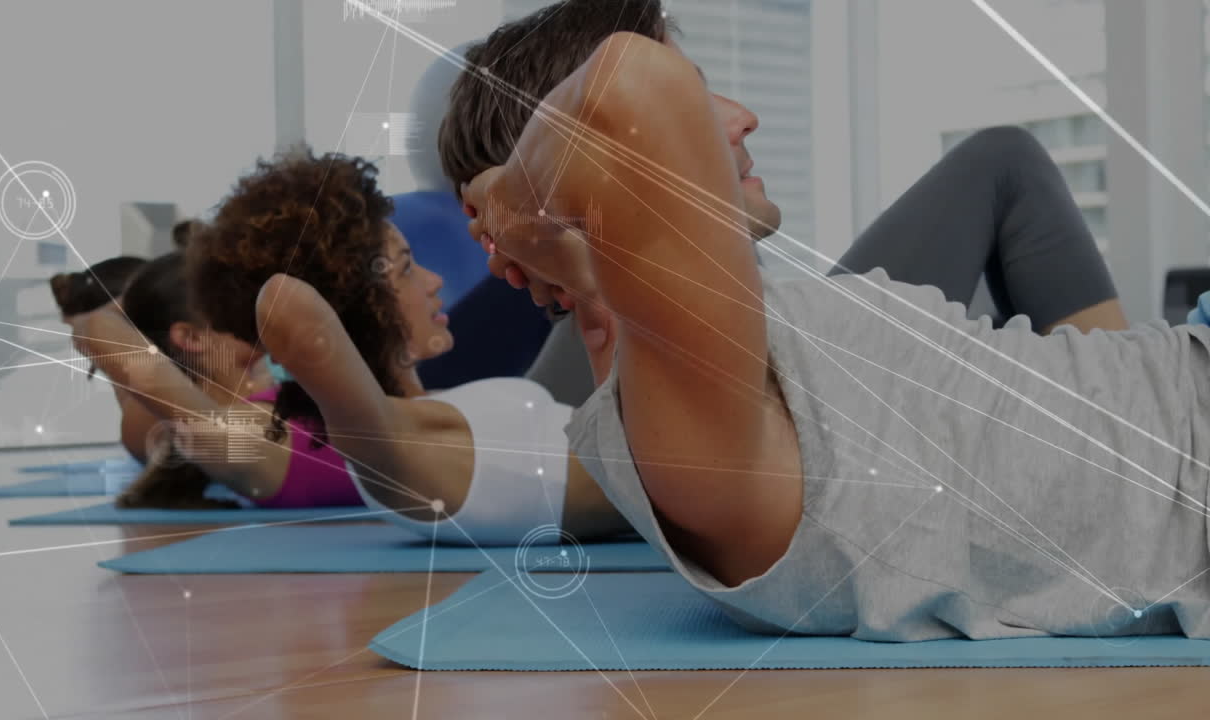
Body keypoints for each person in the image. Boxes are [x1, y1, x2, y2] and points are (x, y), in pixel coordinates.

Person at [455, 19, 1210, 641]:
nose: (742, 116)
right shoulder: (690, 437)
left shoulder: (754, 359)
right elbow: (633, 84)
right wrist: (519, 202)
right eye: (699, 96)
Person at [438, 0, 1127, 409]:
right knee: (1004, 160)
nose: (744, 118)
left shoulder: (738, 325)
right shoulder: (606, 376)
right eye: (686, 102)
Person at [185, 149, 631, 544]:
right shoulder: (390, 442)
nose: (433, 281)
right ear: (358, 303)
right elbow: (285, 302)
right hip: (658, 474)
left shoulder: (435, 412)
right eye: (403, 269)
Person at [67, 247, 362, 510]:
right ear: (192, 337)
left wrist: (143, 296)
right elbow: (93, 327)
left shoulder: (274, 389)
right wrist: (142, 294)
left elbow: (93, 326)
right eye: (238, 301)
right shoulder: (231, 433)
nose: (259, 307)